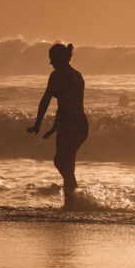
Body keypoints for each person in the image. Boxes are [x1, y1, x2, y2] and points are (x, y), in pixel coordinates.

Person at [27, 43, 88, 209]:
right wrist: (54, 128)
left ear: (60, 58)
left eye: (52, 59)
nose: (50, 63)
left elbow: (46, 100)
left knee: (61, 161)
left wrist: (37, 124)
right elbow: (68, 104)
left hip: (69, 124)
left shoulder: (57, 75)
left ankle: (74, 200)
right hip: (81, 124)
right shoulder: (77, 75)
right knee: (65, 162)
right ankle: (74, 200)